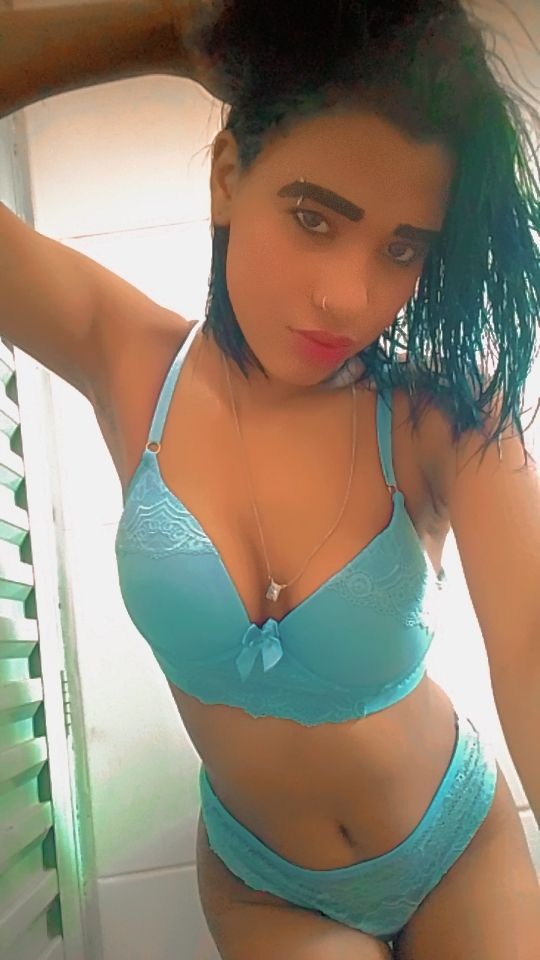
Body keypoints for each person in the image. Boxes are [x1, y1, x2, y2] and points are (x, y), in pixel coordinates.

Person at [1, 1, 540, 957]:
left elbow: (533, 650)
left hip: (456, 844)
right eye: (313, 218)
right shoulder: (129, 361)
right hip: (266, 887)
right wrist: (164, 27)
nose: (349, 296)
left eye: (401, 248)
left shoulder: (441, 417)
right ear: (227, 177)